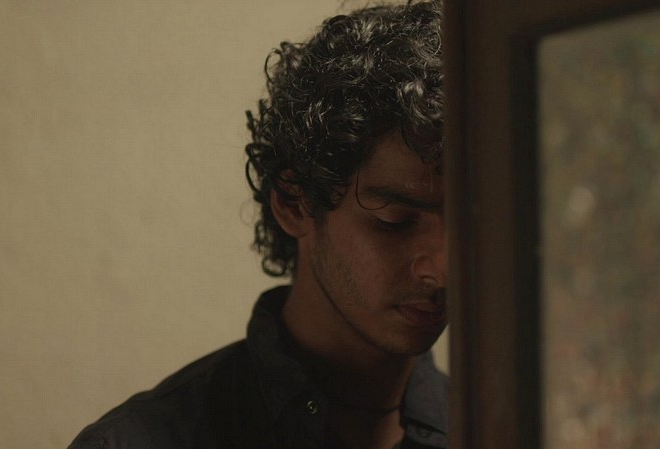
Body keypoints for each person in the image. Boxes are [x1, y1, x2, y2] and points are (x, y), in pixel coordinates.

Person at [68, 1, 446, 448]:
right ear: (294, 203)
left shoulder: (506, 426)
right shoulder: (135, 442)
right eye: (395, 221)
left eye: (468, 229)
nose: (442, 270)